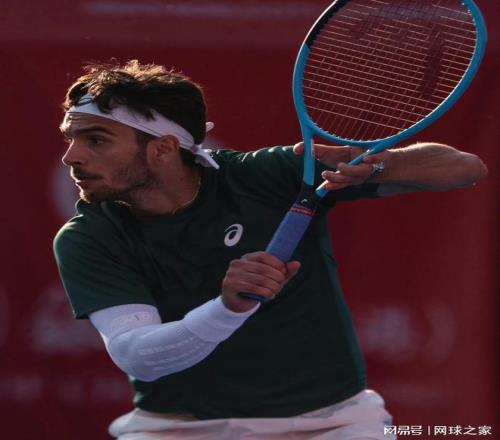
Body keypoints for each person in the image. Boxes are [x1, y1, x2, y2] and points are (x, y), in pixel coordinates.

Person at [53, 60, 487, 440]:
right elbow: (140, 356)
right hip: (178, 428)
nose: (71, 157)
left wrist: (375, 167)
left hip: (332, 423)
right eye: (71, 138)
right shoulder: (88, 236)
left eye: (96, 140)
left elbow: (464, 168)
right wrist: (229, 308)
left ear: (163, 149)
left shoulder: (267, 175)